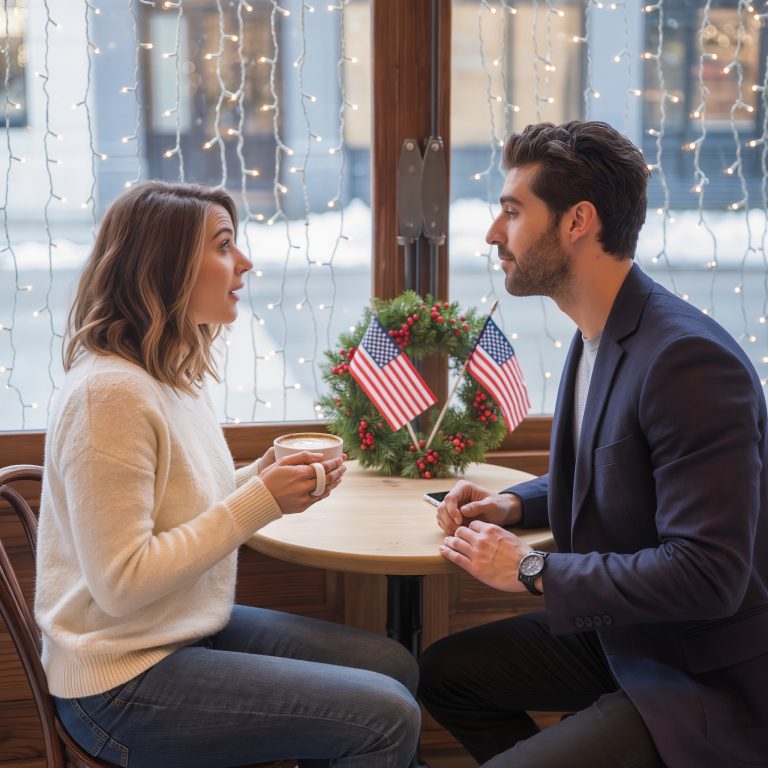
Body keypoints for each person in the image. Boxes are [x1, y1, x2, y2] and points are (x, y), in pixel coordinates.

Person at [417, 121, 768, 768]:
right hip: (622, 636)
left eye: (513, 212)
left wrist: (530, 569)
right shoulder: (597, 331)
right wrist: (513, 507)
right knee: (442, 674)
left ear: (578, 221)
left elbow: (710, 575)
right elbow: (618, 467)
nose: (494, 234)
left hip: (696, 673)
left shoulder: (687, 360)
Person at [35, 180, 421, 768]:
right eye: (223, 245)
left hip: (176, 631)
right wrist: (260, 501)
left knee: (394, 666)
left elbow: (179, 509)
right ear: (164, 265)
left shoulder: (166, 374)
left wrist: (259, 477)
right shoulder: (108, 396)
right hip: (117, 685)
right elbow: (120, 583)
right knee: (386, 713)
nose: (245, 261)